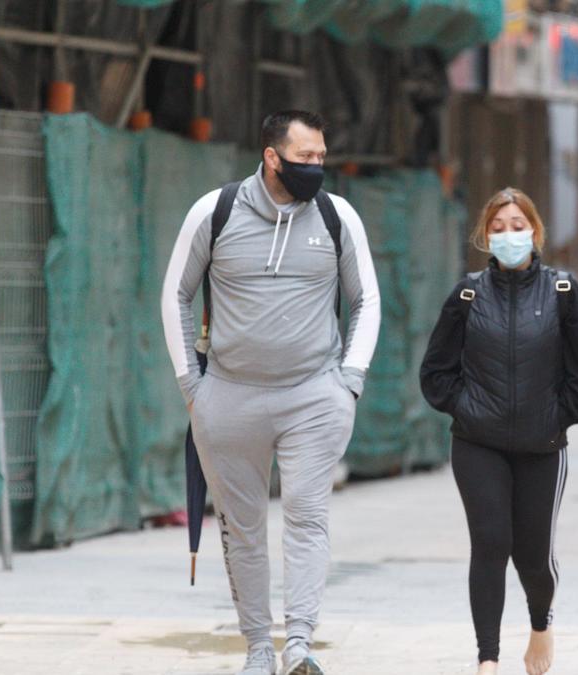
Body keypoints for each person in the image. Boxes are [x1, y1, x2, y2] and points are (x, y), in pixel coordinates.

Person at [161, 111, 381, 675]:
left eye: (322, 157)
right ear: (271, 156)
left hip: (314, 395)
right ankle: (259, 648)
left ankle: (300, 644)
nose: (317, 167)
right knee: (242, 526)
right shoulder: (216, 211)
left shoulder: (336, 217)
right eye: (306, 157)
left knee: (307, 517)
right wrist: (193, 386)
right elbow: (175, 295)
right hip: (229, 396)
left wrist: (348, 383)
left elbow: (367, 301)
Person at [419, 188, 578, 675]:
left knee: (532, 555)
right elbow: (435, 371)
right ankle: (488, 659)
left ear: (535, 231)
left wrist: (562, 415)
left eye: (517, 224)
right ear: (485, 236)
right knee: (490, 541)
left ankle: (541, 624)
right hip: (478, 443)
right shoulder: (467, 294)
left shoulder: (562, 292)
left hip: (542, 446)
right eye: (498, 227)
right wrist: (467, 407)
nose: (508, 234)